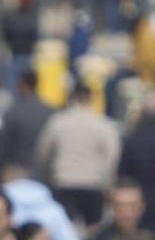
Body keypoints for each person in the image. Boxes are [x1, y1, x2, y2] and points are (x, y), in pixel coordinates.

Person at [36, 85, 122, 227]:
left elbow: (43, 152)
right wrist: (109, 183)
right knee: (93, 228)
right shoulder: (102, 123)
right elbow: (113, 156)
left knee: (65, 226)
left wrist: (48, 175)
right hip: (93, 182)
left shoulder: (58, 122)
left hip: (63, 180)